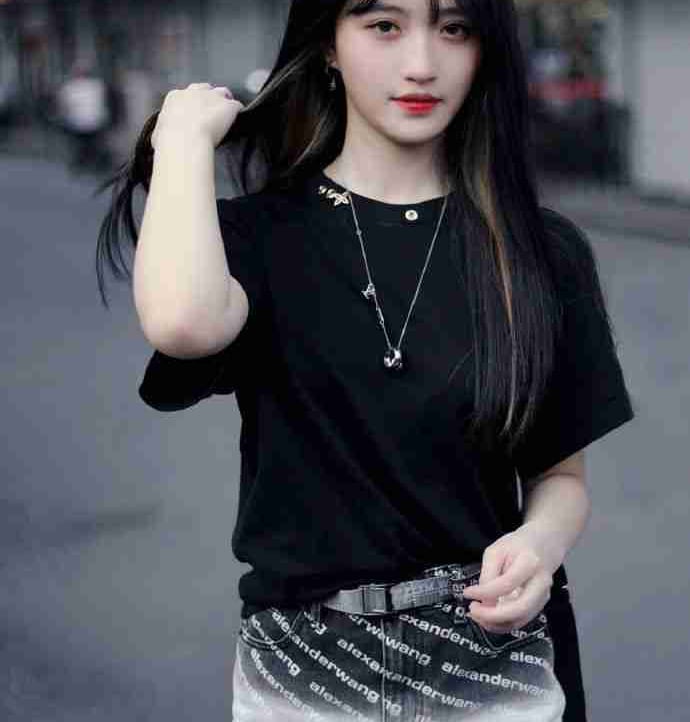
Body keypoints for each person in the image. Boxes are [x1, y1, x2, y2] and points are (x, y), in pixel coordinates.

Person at [95, 1, 635, 719]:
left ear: (484, 50)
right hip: (305, 669)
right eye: (384, 26)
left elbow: (559, 477)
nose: (421, 64)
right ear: (328, 45)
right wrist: (183, 139)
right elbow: (181, 324)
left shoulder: (541, 252)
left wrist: (539, 543)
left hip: (491, 660)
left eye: (454, 29)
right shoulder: (259, 236)